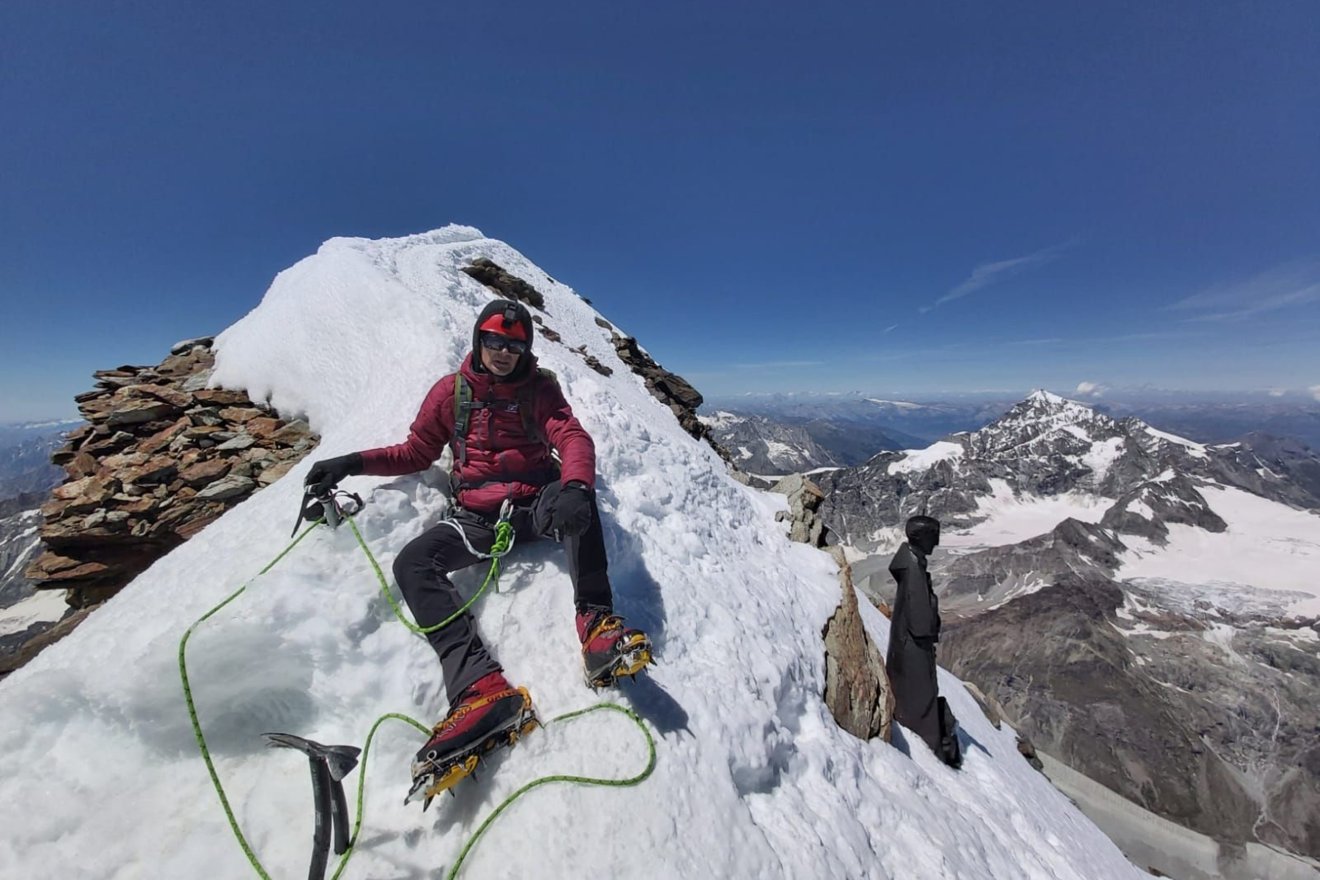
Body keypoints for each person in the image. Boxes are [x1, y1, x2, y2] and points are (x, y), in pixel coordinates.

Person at [305, 299, 652, 799]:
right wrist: (352, 462)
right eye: (494, 342)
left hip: (535, 502)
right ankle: (478, 687)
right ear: (478, 341)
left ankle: (597, 627)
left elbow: (571, 435)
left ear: (526, 349)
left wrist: (575, 485)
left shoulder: (540, 389)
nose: (504, 353)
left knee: (581, 507)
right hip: (478, 517)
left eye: (515, 345)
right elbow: (415, 452)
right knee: (413, 563)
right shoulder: (452, 393)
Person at [887, 515, 961, 768]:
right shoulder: (914, 570)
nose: (937, 542)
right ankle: (929, 748)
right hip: (913, 650)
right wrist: (933, 623)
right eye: (934, 535)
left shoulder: (912, 565)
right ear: (922, 536)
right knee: (921, 696)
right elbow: (920, 622)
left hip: (907, 646)